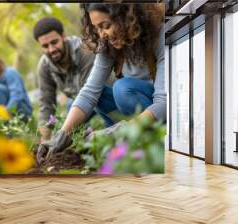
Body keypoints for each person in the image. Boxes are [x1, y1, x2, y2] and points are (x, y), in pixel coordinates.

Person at [37, 3, 166, 163]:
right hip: (133, 113)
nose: (101, 35)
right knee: (99, 95)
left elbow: (164, 103)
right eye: (96, 28)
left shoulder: (160, 34)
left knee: (123, 89)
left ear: (127, 16)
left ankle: (146, 140)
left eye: (105, 25)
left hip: (157, 112)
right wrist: (62, 135)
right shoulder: (109, 44)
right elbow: (89, 92)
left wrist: (117, 131)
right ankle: (127, 141)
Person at [34, 17, 114, 142]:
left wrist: (65, 132)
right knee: (70, 109)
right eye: (45, 46)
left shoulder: (86, 49)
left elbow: (91, 94)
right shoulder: (44, 66)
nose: (51, 49)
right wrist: (45, 140)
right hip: (79, 103)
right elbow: (46, 105)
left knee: (72, 126)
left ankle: (111, 129)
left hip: (104, 97)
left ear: (63, 36)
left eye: (54, 42)